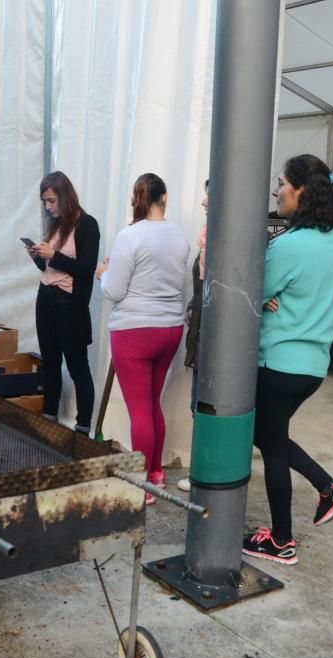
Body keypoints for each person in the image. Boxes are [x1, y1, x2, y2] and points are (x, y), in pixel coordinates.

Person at [242, 154, 333, 566]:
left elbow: (248, 292)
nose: (277, 192)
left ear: (301, 191)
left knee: (271, 446)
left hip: (278, 363)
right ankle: (329, 489)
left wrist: (265, 295)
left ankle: (282, 540)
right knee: (268, 436)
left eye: (281, 185)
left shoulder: (288, 245)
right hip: (313, 367)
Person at [96, 173, 189, 504]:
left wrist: (103, 275)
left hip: (134, 331)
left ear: (136, 199)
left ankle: (143, 485)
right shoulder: (180, 237)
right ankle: (156, 474)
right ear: (164, 198)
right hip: (170, 329)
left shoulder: (129, 237)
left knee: (139, 410)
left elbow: (115, 290)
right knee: (153, 403)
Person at [26, 171, 100, 433]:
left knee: (78, 365)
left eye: (51, 201)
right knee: (50, 361)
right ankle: (49, 418)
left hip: (70, 304)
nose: (48, 207)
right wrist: (38, 255)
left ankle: (82, 427)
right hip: (46, 298)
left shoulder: (87, 224)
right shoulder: (55, 225)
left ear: (65, 197)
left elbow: (86, 268)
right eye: (45, 202)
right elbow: (49, 267)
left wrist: (53, 255)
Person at [179, 179, 209, 494]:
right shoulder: (207, 239)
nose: (203, 202)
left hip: (212, 336)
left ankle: (203, 471)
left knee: (204, 404)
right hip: (201, 328)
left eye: (209, 195)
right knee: (197, 403)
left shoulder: (222, 240)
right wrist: (192, 304)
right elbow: (201, 284)